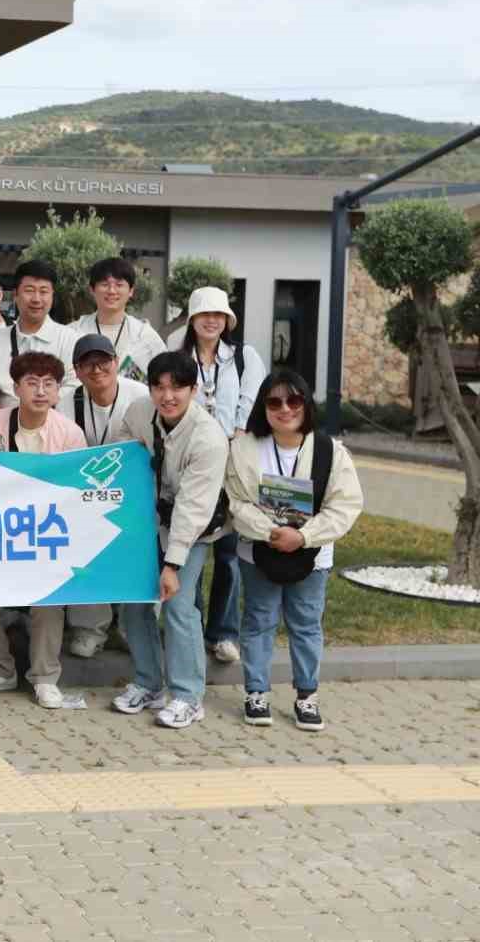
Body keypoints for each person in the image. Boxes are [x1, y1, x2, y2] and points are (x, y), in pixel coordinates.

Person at [226, 369, 362, 731]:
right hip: (258, 550)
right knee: (259, 621)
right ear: (263, 407)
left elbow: (344, 505)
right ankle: (256, 693)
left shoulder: (331, 451)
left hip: (312, 555)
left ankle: (307, 695)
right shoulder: (243, 449)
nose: (285, 409)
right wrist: (270, 532)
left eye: (294, 400)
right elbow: (236, 502)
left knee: (306, 624)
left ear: (306, 403)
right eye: (274, 402)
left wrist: (303, 537)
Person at [113, 351, 230, 730]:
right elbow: (124, 450)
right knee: (135, 600)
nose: (167, 396)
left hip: (193, 528)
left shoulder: (208, 438)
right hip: (150, 521)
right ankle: (149, 684)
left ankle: (188, 696)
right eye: (159, 387)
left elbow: (193, 510)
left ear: (194, 390)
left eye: (177, 387)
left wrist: (172, 565)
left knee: (178, 603)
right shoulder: (138, 412)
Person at [0, 352, 86, 708]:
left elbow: (75, 490)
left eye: (49, 384)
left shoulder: (69, 433)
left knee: (50, 599)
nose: (40, 391)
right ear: (15, 387)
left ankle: (45, 677)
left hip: (47, 532)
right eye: (32, 383)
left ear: (59, 390)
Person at [165, 286, 266, 666]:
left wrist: (230, 440)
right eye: (204, 314)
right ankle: (187, 624)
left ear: (227, 320)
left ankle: (223, 632)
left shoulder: (244, 357)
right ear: (192, 319)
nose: (212, 321)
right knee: (187, 544)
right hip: (188, 462)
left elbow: (250, 402)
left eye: (219, 315)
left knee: (228, 552)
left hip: (231, 463)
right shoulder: (177, 355)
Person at [56, 333, 151, 658]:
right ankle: (89, 628)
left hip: (136, 489)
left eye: (103, 361)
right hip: (85, 491)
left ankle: (131, 627)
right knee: (84, 552)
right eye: (88, 364)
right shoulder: (67, 401)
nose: (97, 370)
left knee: (137, 556)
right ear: (77, 370)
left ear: (116, 362)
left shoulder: (140, 396)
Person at [0, 260, 78, 409]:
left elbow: (74, 385)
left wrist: (38, 411)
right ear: (15, 295)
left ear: (52, 296)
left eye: (43, 291)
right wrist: (7, 419)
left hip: (56, 420)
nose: (36, 299)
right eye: (29, 290)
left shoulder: (70, 339)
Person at [70, 257, 165, 385]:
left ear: (131, 291)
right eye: (104, 285)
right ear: (92, 290)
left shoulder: (146, 335)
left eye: (119, 285)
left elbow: (165, 377)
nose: (112, 291)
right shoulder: (73, 332)